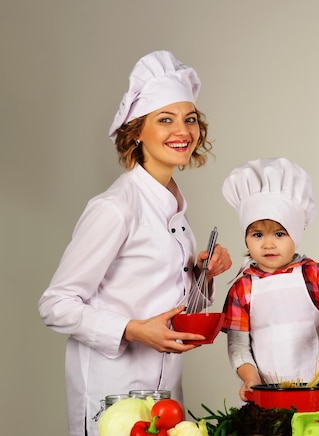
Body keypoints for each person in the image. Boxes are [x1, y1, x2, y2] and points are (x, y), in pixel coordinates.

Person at [38, 50, 232, 436]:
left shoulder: (170, 201)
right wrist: (133, 329)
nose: (183, 131)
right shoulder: (115, 207)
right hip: (112, 393)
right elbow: (55, 305)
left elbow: (159, 290)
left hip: (163, 392)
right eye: (165, 120)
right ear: (136, 131)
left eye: (189, 119)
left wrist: (202, 273)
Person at [221, 157, 319, 401]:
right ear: (246, 238)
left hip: (318, 392)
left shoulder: (312, 273)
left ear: (296, 234)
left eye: (280, 234)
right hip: (268, 394)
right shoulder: (242, 287)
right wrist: (250, 378)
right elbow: (238, 346)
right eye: (257, 234)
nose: (268, 244)